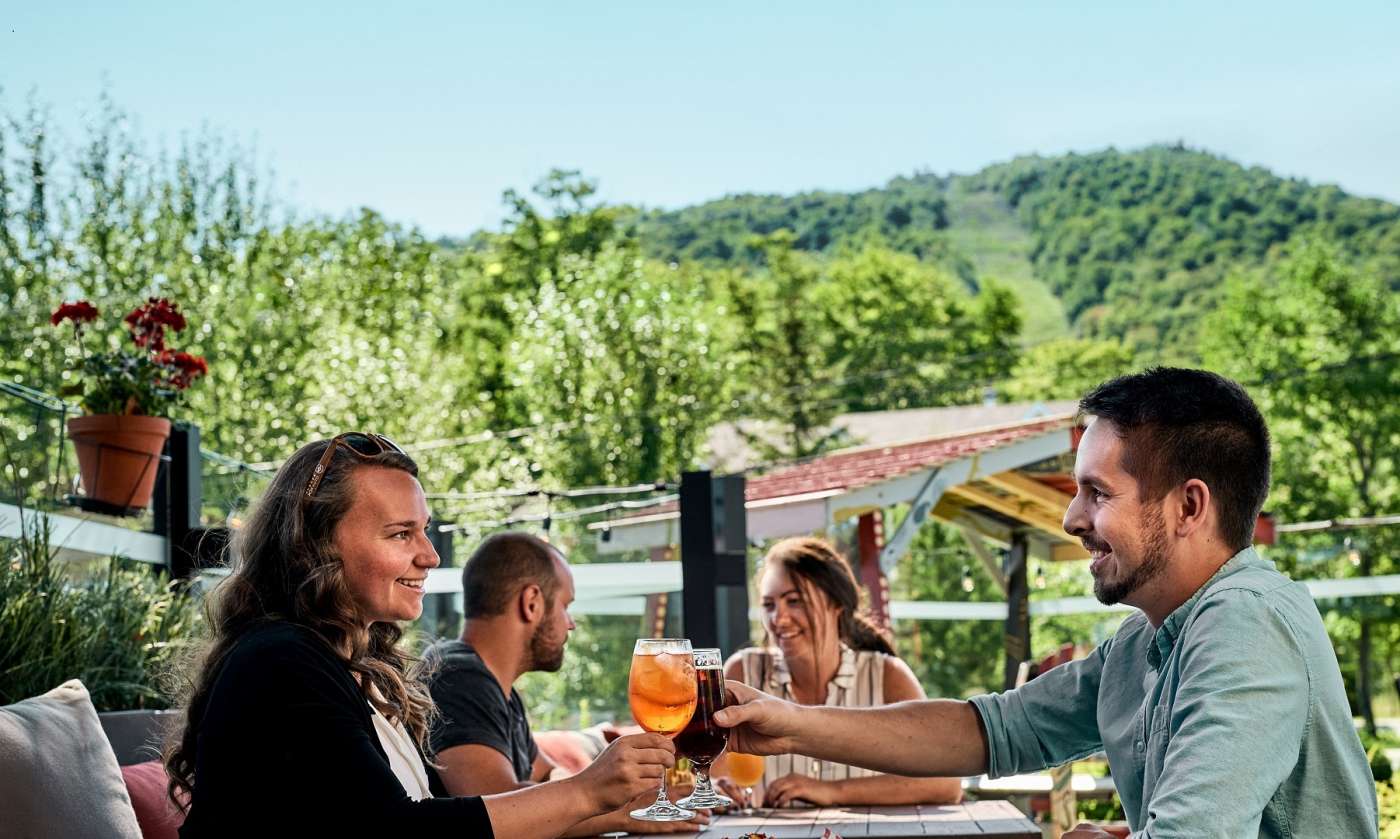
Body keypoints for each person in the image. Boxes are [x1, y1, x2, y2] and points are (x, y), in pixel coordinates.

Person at [714, 369, 1379, 838]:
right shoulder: (1146, 640)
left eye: (1096, 492)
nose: (1070, 516)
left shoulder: (1245, 625)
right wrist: (792, 723)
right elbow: (992, 730)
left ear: (1189, 505)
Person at [166, 433, 675, 838]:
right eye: (401, 534)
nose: (430, 555)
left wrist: (613, 810)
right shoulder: (279, 663)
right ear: (316, 545)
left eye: (425, 530)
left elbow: (446, 814)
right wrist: (585, 793)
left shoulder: (352, 671)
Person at [425, 531, 704, 835]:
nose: (570, 623)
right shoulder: (457, 677)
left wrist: (643, 795)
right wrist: (627, 812)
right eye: (565, 605)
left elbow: (549, 777)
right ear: (531, 603)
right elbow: (497, 809)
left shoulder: (495, 688)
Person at [719, 536, 962, 808]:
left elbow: (945, 782)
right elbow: (712, 775)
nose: (778, 618)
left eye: (794, 601)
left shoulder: (886, 676)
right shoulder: (743, 672)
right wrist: (719, 792)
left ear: (837, 604)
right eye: (769, 605)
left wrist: (832, 791)